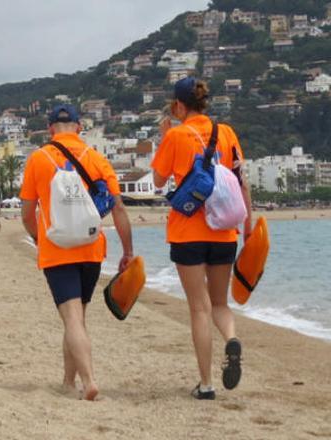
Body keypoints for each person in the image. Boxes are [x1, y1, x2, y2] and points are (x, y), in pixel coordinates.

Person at [19, 104, 134, 401]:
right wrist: (128, 251)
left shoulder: (38, 159)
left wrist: (37, 238)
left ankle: (88, 380)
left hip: (58, 250)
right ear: (79, 127)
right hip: (91, 248)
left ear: (50, 129)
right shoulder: (96, 158)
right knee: (78, 318)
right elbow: (118, 207)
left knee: (72, 320)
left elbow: (27, 213)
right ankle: (68, 382)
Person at [151, 77, 252, 400]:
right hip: (224, 230)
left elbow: (156, 180)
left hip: (187, 231)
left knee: (199, 308)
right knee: (220, 303)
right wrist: (248, 228)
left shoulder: (176, 135)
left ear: (179, 106)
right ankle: (232, 338)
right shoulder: (227, 133)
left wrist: (165, 138)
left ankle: (206, 384)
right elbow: (241, 180)